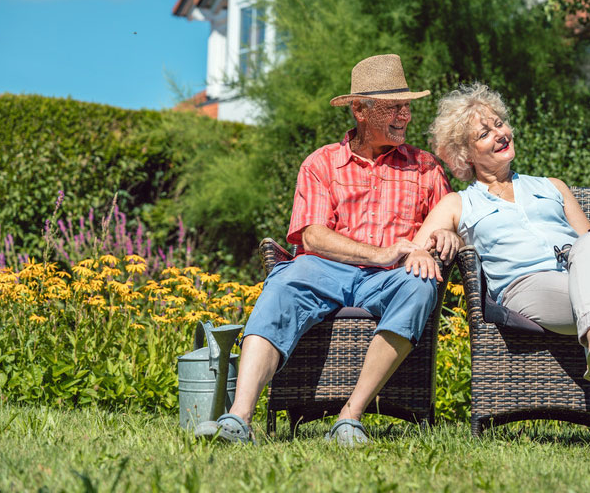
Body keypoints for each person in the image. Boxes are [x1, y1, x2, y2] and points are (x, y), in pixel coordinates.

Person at [195, 54, 460, 446]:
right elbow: (312, 236)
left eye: (407, 106)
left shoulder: (425, 167)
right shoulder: (321, 163)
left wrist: (445, 237)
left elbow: (450, 216)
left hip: (392, 279)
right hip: (325, 269)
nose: (405, 116)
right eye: (394, 107)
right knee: (282, 284)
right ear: (359, 110)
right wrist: (378, 253)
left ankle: (349, 418)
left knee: (420, 287)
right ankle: (239, 418)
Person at [405, 82, 590, 464]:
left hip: (580, 278)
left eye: (501, 124)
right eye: (485, 133)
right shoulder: (460, 203)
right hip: (526, 290)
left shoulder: (553, 187)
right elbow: (416, 250)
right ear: (465, 154)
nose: (500, 134)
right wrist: (444, 235)